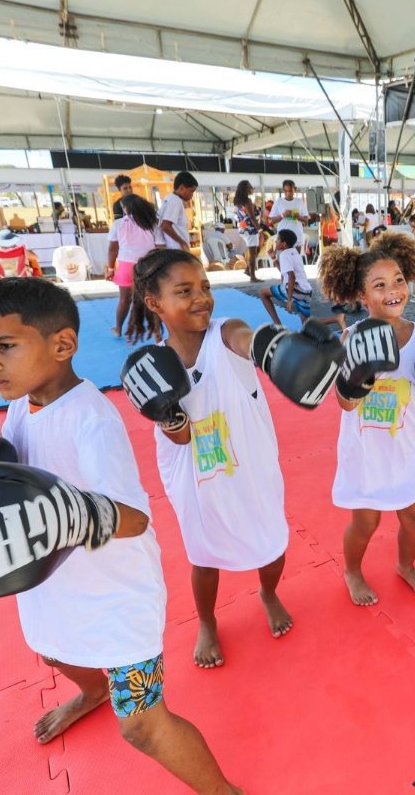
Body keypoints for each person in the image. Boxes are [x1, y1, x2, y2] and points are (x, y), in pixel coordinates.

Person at [0, 277, 242, 794]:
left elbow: (133, 517)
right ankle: (92, 693)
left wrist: (60, 514)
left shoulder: (90, 419)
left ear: (62, 345)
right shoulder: (23, 402)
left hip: (115, 597)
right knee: (53, 652)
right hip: (51, 581)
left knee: (142, 727)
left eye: (4, 346)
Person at [127, 249, 293, 669]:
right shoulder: (151, 367)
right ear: (155, 303)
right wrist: (167, 412)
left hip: (250, 462)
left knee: (271, 543)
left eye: (204, 287)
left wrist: (280, 350)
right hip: (194, 470)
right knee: (203, 556)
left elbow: (247, 339)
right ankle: (206, 621)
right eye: (185, 291)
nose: (201, 298)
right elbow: (180, 438)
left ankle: (268, 593)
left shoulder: (225, 334)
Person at [318, 233, 415, 606]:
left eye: (398, 281)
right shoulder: (350, 338)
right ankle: (352, 570)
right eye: (379, 285)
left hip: (413, 450)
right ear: (362, 296)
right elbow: (344, 404)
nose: (393, 291)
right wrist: (358, 377)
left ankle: (405, 565)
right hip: (369, 451)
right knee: (366, 522)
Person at [107, 193, 159, 337]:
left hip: (126, 265)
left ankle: (118, 328)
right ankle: (157, 332)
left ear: (125, 208)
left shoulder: (118, 224)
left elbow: (112, 249)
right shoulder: (152, 223)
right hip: (148, 265)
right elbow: (160, 247)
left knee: (124, 300)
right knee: (153, 298)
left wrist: (110, 269)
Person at [269, 180, 316, 251]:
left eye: (290, 191)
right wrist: (282, 215)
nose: (288, 193)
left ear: (295, 189)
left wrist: (298, 216)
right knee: (282, 259)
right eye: (286, 191)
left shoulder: (299, 202)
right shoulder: (279, 202)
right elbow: (272, 221)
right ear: (283, 190)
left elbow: (306, 220)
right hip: (283, 238)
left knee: (295, 259)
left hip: (297, 236)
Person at [158, 172, 198, 253]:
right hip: (176, 249)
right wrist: (182, 242)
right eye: (191, 191)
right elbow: (165, 226)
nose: (192, 195)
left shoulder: (169, 198)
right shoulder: (175, 201)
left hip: (173, 248)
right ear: (181, 188)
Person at [232, 180, 264, 275]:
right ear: (246, 189)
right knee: (253, 252)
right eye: (250, 187)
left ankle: (247, 269)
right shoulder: (247, 200)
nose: (252, 189)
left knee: (256, 249)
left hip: (243, 229)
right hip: (250, 229)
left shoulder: (238, 201)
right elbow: (252, 217)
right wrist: (260, 230)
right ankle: (252, 276)